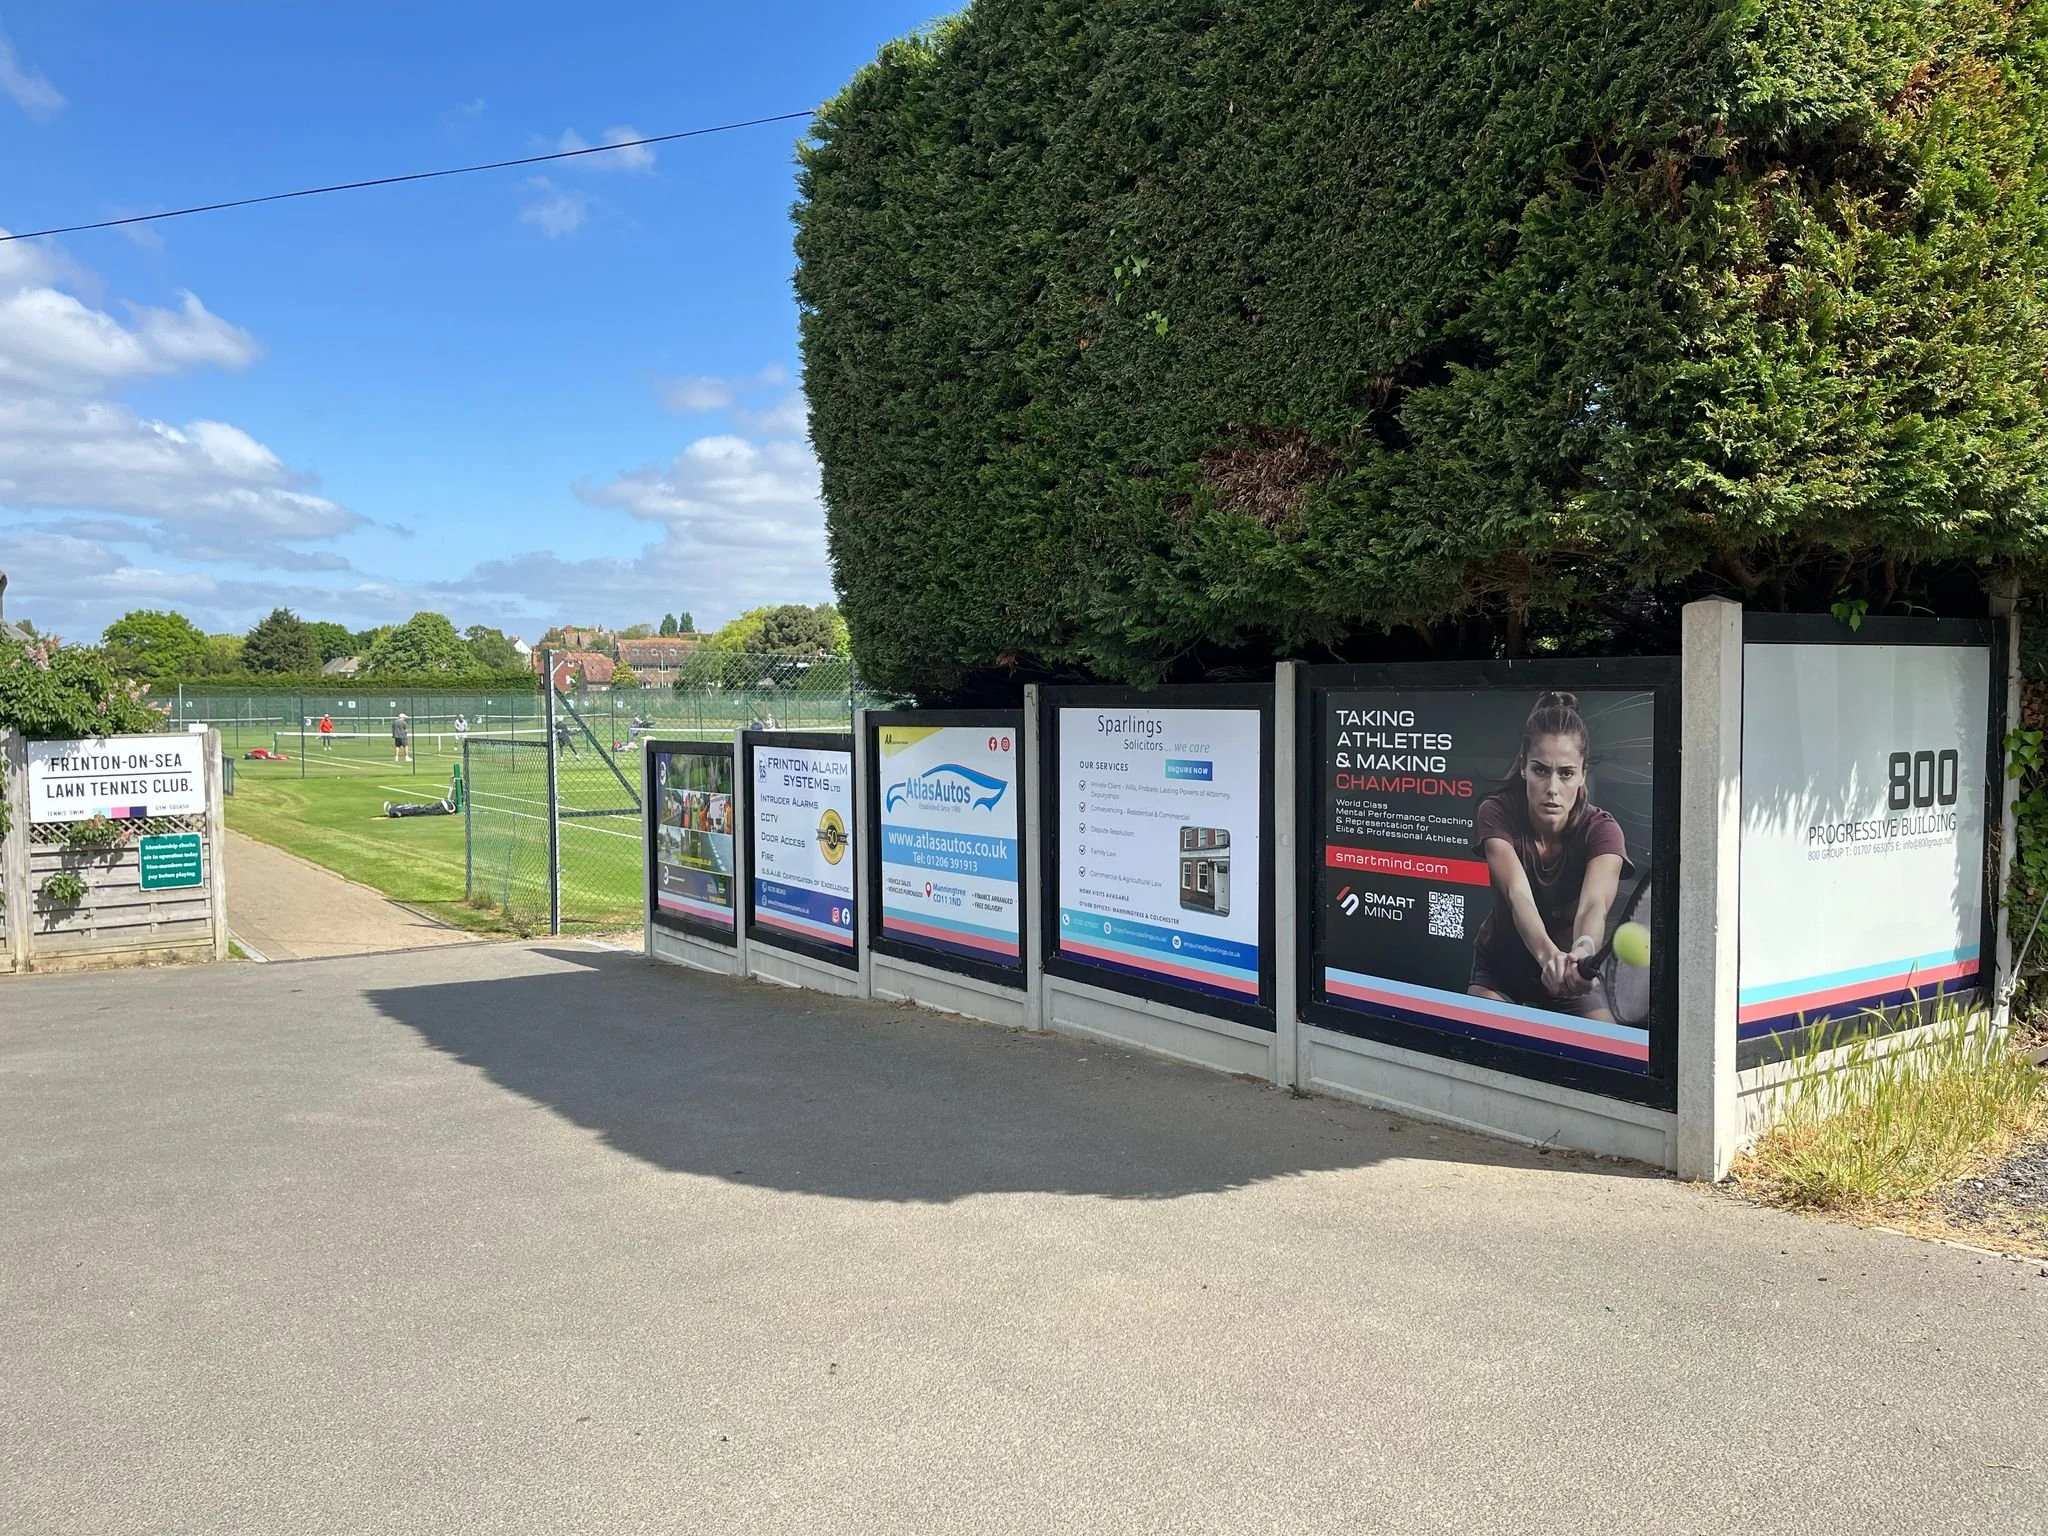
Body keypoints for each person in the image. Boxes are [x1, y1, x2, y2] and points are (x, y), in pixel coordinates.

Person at [1468, 691, 1629, 1019]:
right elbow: (1518, 895)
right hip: (1502, 967)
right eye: (1541, 771)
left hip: (1571, 974)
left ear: (1583, 772)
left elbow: (1594, 905)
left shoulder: (1603, 831)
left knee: (1608, 1050)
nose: (1553, 787)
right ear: (1524, 767)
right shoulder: (1495, 812)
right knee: (1479, 1040)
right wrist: (1548, 957)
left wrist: (1582, 949)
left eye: (1566, 773)